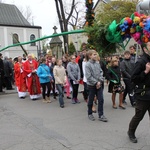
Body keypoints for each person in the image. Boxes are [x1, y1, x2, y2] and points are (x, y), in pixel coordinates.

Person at [127, 42, 150, 143]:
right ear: (145, 49)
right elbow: (134, 78)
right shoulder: (141, 62)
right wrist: (145, 72)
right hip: (143, 94)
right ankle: (130, 132)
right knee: (139, 116)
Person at [85, 50, 108, 122]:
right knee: (91, 100)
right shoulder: (87, 65)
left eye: (96, 54)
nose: (95, 56)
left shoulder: (97, 63)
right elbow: (88, 76)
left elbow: (101, 72)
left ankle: (101, 114)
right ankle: (90, 113)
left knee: (101, 100)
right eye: (94, 54)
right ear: (90, 56)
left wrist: (100, 81)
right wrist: (96, 83)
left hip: (99, 84)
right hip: (91, 85)